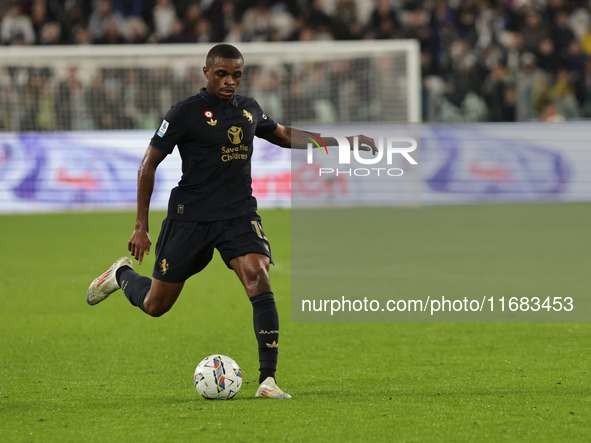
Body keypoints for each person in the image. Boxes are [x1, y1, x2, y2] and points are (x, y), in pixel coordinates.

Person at [86, 43, 377, 399]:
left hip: (238, 214)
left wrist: (343, 141)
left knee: (258, 276)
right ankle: (121, 275)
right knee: (156, 305)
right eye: (222, 73)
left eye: (236, 75)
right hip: (189, 218)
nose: (229, 81)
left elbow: (284, 135)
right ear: (206, 72)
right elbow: (148, 165)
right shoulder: (183, 114)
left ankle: (267, 381)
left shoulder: (248, 109)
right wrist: (140, 226)